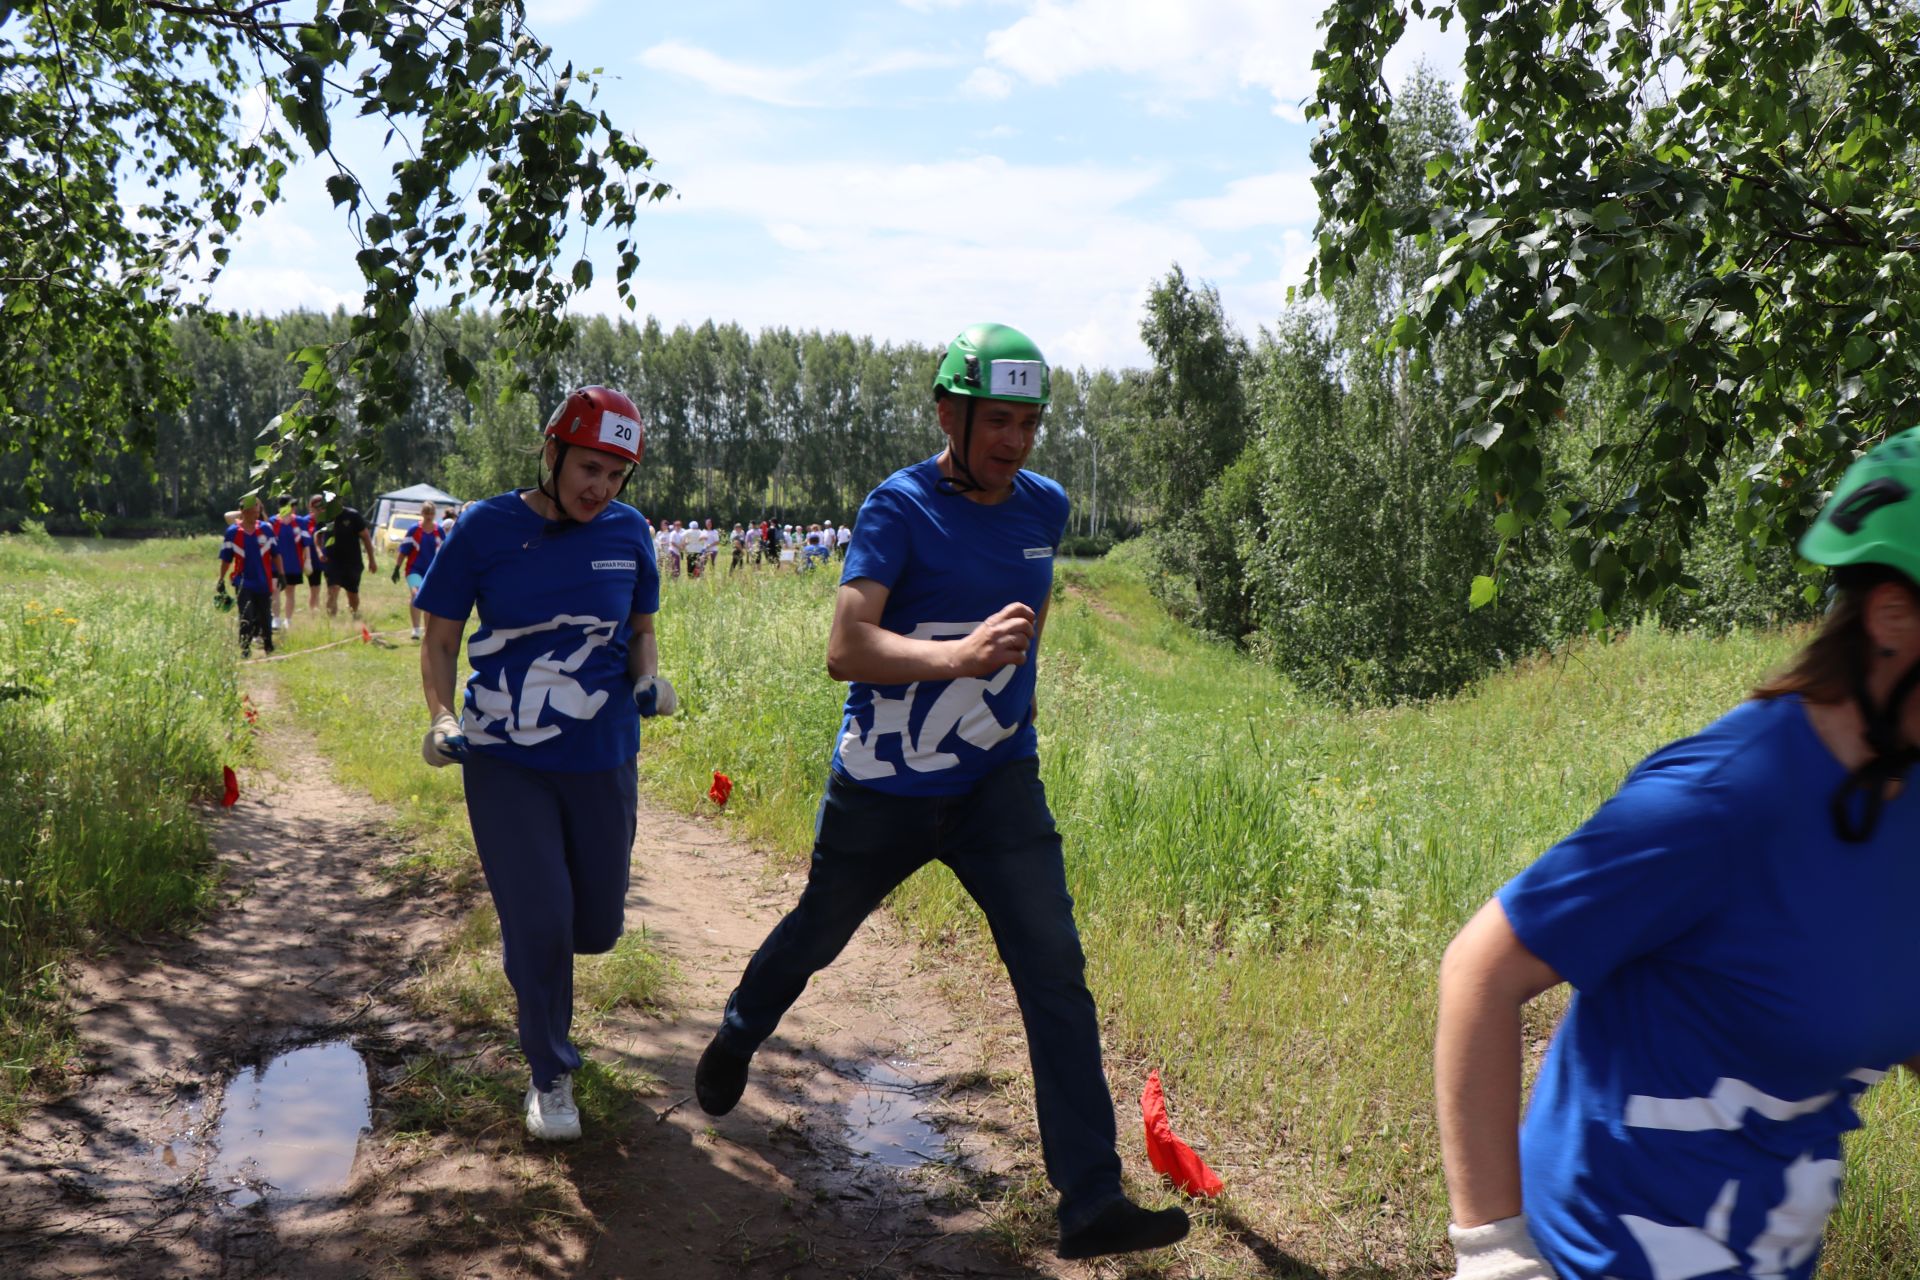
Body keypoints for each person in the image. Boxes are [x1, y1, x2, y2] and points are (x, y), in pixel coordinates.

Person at [692, 324, 1188, 1260]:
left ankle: (1090, 1199)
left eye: (1030, 422)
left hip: (999, 783)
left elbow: (1024, 629)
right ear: (949, 415)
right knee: (819, 932)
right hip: (884, 787)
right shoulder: (899, 507)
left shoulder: (1045, 507)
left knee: (1055, 974)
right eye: (997, 420)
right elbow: (846, 647)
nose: (1016, 440)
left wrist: (998, 693)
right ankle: (738, 1030)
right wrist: (955, 657)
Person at [1435, 427, 1920, 1280]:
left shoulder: (1903, 801)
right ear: (1893, 616)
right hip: (1605, 1257)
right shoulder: (1726, 796)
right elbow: (1482, 969)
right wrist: (1494, 1254)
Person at [415, 385, 672, 1143]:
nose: (602, 488)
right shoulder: (486, 528)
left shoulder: (629, 533)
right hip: (504, 758)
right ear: (553, 453)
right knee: (541, 917)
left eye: (617, 475)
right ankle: (550, 1074)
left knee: (593, 926)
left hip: (602, 756)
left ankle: (544, 970)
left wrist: (649, 677)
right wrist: (440, 716)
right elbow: (436, 640)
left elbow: (642, 629)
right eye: (590, 467)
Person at [217, 497, 282, 658]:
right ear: (243, 512)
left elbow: (276, 554)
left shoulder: (266, 529)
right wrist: (221, 579)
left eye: (257, 511)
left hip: (263, 581)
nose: (256, 515)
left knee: (265, 616)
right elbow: (226, 559)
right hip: (242, 581)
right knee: (246, 616)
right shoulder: (233, 533)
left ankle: (269, 646)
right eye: (252, 512)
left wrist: (281, 574)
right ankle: (245, 649)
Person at [392, 500, 443, 640]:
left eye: (431, 513)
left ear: (434, 514)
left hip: (432, 572)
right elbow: (403, 551)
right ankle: (415, 629)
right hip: (414, 570)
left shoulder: (439, 531)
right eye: (426, 513)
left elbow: (447, 552)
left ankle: (428, 631)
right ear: (422, 513)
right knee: (416, 595)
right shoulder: (414, 530)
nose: (429, 516)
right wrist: (397, 567)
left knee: (428, 599)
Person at [321, 500, 378, 621]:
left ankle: (355, 614)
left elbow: (366, 537)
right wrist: (319, 551)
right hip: (333, 561)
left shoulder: (353, 516)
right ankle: (332, 625)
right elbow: (317, 535)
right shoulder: (325, 517)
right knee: (332, 590)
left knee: (352, 594)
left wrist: (371, 560)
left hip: (352, 562)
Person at [302, 494, 330, 613]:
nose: (320, 509)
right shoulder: (305, 522)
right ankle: (314, 611)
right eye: (316, 507)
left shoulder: (329, 520)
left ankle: (329, 610)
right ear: (311, 508)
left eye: (322, 506)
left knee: (332, 586)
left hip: (329, 558)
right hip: (312, 559)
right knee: (315, 588)